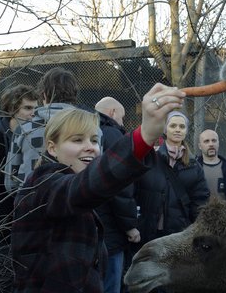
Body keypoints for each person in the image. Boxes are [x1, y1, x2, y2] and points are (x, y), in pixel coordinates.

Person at [11, 83, 186, 292]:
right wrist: (145, 135)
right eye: (77, 139)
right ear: (52, 147)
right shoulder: (44, 184)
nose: (90, 147)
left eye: (94, 140)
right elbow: (85, 186)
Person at [4, 67, 99, 191]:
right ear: (74, 95)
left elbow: (10, 180)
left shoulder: (24, 129)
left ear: (43, 95)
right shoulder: (92, 127)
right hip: (76, 198)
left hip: (30, 199)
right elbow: (97, 172)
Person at [135, 111, 210, 244]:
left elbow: (200, 201)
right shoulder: (150, 159)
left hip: (179, 232)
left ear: (186, 131)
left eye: (182, 127)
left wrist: (197, 230)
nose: (177, 130)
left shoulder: (194, 166)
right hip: (148, 231)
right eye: (173, 126)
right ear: (165, 129)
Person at [94, 96, 140, 293]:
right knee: (111, 282)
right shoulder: (113, 134)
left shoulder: (90, 131)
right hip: (111, 228)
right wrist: (130, 225)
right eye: (122, 118)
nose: (122, 123)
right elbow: (120, 184)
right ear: (112, 113)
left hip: (94, 223)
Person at [0, 84, 38, 292]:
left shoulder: (32, 135)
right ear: (13, 108)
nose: (33, 114)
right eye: (28, 108)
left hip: (20, 210)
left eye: (35, 109)